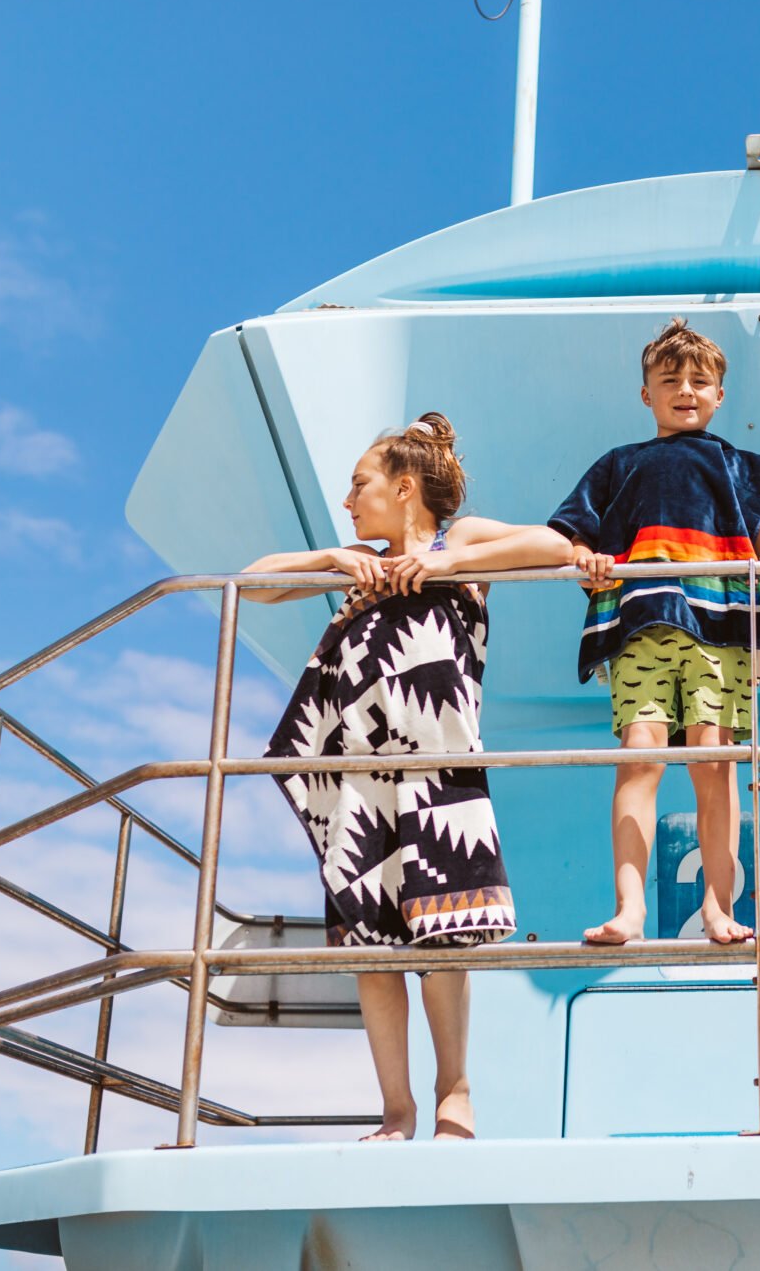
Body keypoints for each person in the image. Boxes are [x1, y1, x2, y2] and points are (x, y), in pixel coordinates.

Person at [245, 412, 574, 1142]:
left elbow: (555, 544)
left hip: (437, 774)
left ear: (401, 487)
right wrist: (329, 558)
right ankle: (396, 1109)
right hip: (363, 780)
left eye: (357, 485)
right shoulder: (356, 561)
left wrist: (451, 567)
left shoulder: (455, 541)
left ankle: (453, 1087)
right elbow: (252, 583)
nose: (348, 500)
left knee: (444, 936)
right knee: (369, 945)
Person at [550, 318, 760, 946]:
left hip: (718, 626)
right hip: (643, 623)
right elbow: (574, 535)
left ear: (720, 395)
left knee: (714, 764)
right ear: (646, 395)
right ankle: (629, 907)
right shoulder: (619, 464)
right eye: (670, 380)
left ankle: (720, 907)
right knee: (640, 758)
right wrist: (585, 558)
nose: (685, 390)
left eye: (699, 380)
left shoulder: (741, 467)